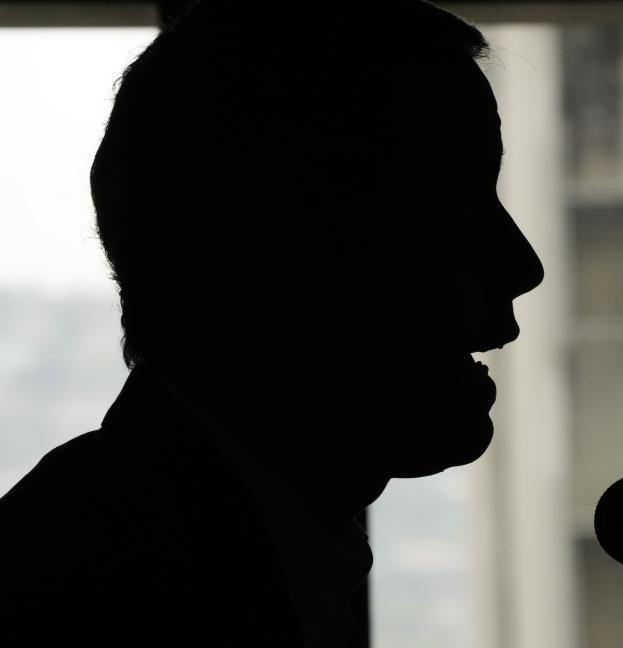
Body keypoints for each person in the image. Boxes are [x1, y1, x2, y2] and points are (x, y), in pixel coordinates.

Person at [0, 1, 543, 645]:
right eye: (452, 212)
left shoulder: (119, 544)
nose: (523, 265)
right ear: (279, 255)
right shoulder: (106, 598)